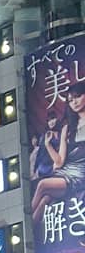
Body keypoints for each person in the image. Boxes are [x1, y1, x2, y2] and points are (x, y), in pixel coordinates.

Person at [32, 81, 85, 221]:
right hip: (66, 170)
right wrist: (48, 145)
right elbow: (60, 161)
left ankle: (23, 219)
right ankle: (27, 233)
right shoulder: (67, 128)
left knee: (42, 185)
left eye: (77, 96)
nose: (74, 102)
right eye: (70, 100)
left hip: (81, 173)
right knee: (45, 200)